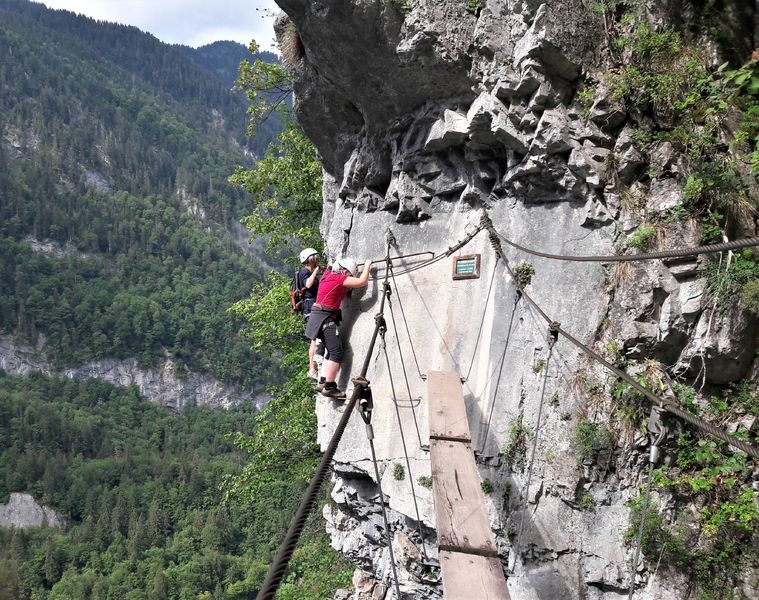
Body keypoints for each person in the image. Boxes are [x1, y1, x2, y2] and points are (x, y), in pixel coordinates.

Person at [305, 256, 372, 398]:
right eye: (348, 274)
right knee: (336, 352)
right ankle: (329, 387)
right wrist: (367, 266)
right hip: (325, 317)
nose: (348, 277)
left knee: (330, 349)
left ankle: (323, 381)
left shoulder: (327, 276)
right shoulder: (338, 279)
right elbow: (362, 281)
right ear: (344, 271)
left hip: (317, 316)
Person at [298, 247, 321, 379]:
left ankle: (313, 368)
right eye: (315, 258)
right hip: (310, 307)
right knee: (314, 339)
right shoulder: (304, 272)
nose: (317, 260)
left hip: (311, 307)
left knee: (314, 339)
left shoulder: (307, 272)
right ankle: (312, 368)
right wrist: (316, 272)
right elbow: (308, 285)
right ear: (310, 259)